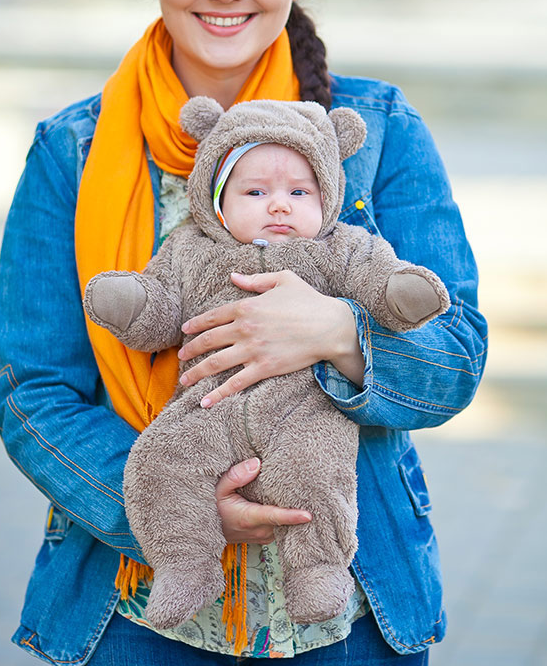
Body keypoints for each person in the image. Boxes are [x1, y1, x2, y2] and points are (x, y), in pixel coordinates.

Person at [0, 0, 487, 666]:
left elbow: (456, 360)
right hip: (132, 609)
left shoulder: (375, 132)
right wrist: (164, 505)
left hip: (343, 605)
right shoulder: (72, 151)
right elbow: (33, 390)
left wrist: (339, 331)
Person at [82, 97, 450, 635]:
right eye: (255, 192)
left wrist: (396, 294)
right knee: (158, 462)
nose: (279, 206)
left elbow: (378, 278)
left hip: (305, 407)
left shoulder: (342, 247)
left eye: (299, 193)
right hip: (210, 402)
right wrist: (134, 303)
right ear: (215, 201)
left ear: (326, 196)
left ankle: (319, 568)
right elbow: (161, 311)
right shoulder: (189, 249)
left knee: (318, 472)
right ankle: (187, 565)